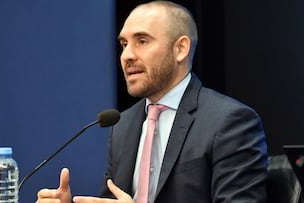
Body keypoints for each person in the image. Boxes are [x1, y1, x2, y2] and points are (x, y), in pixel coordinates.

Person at [36, 1, 268, 202]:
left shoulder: (229, 122)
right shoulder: (122, 125)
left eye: (142, 41)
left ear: (180, 49)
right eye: (124, 44)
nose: (127, 55)